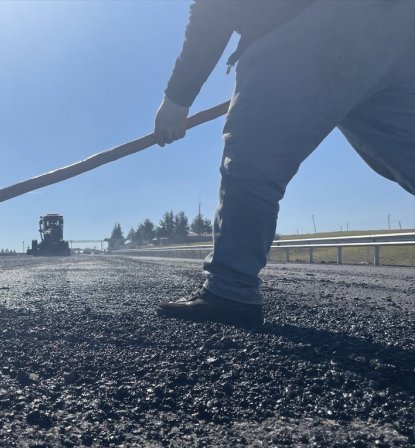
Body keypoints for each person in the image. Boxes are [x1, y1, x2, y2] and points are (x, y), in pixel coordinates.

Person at [153, 0, 415, 328]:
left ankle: (230, 290)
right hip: (397, 23)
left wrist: (177, 98)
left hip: (308, 24)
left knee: (252, 159)